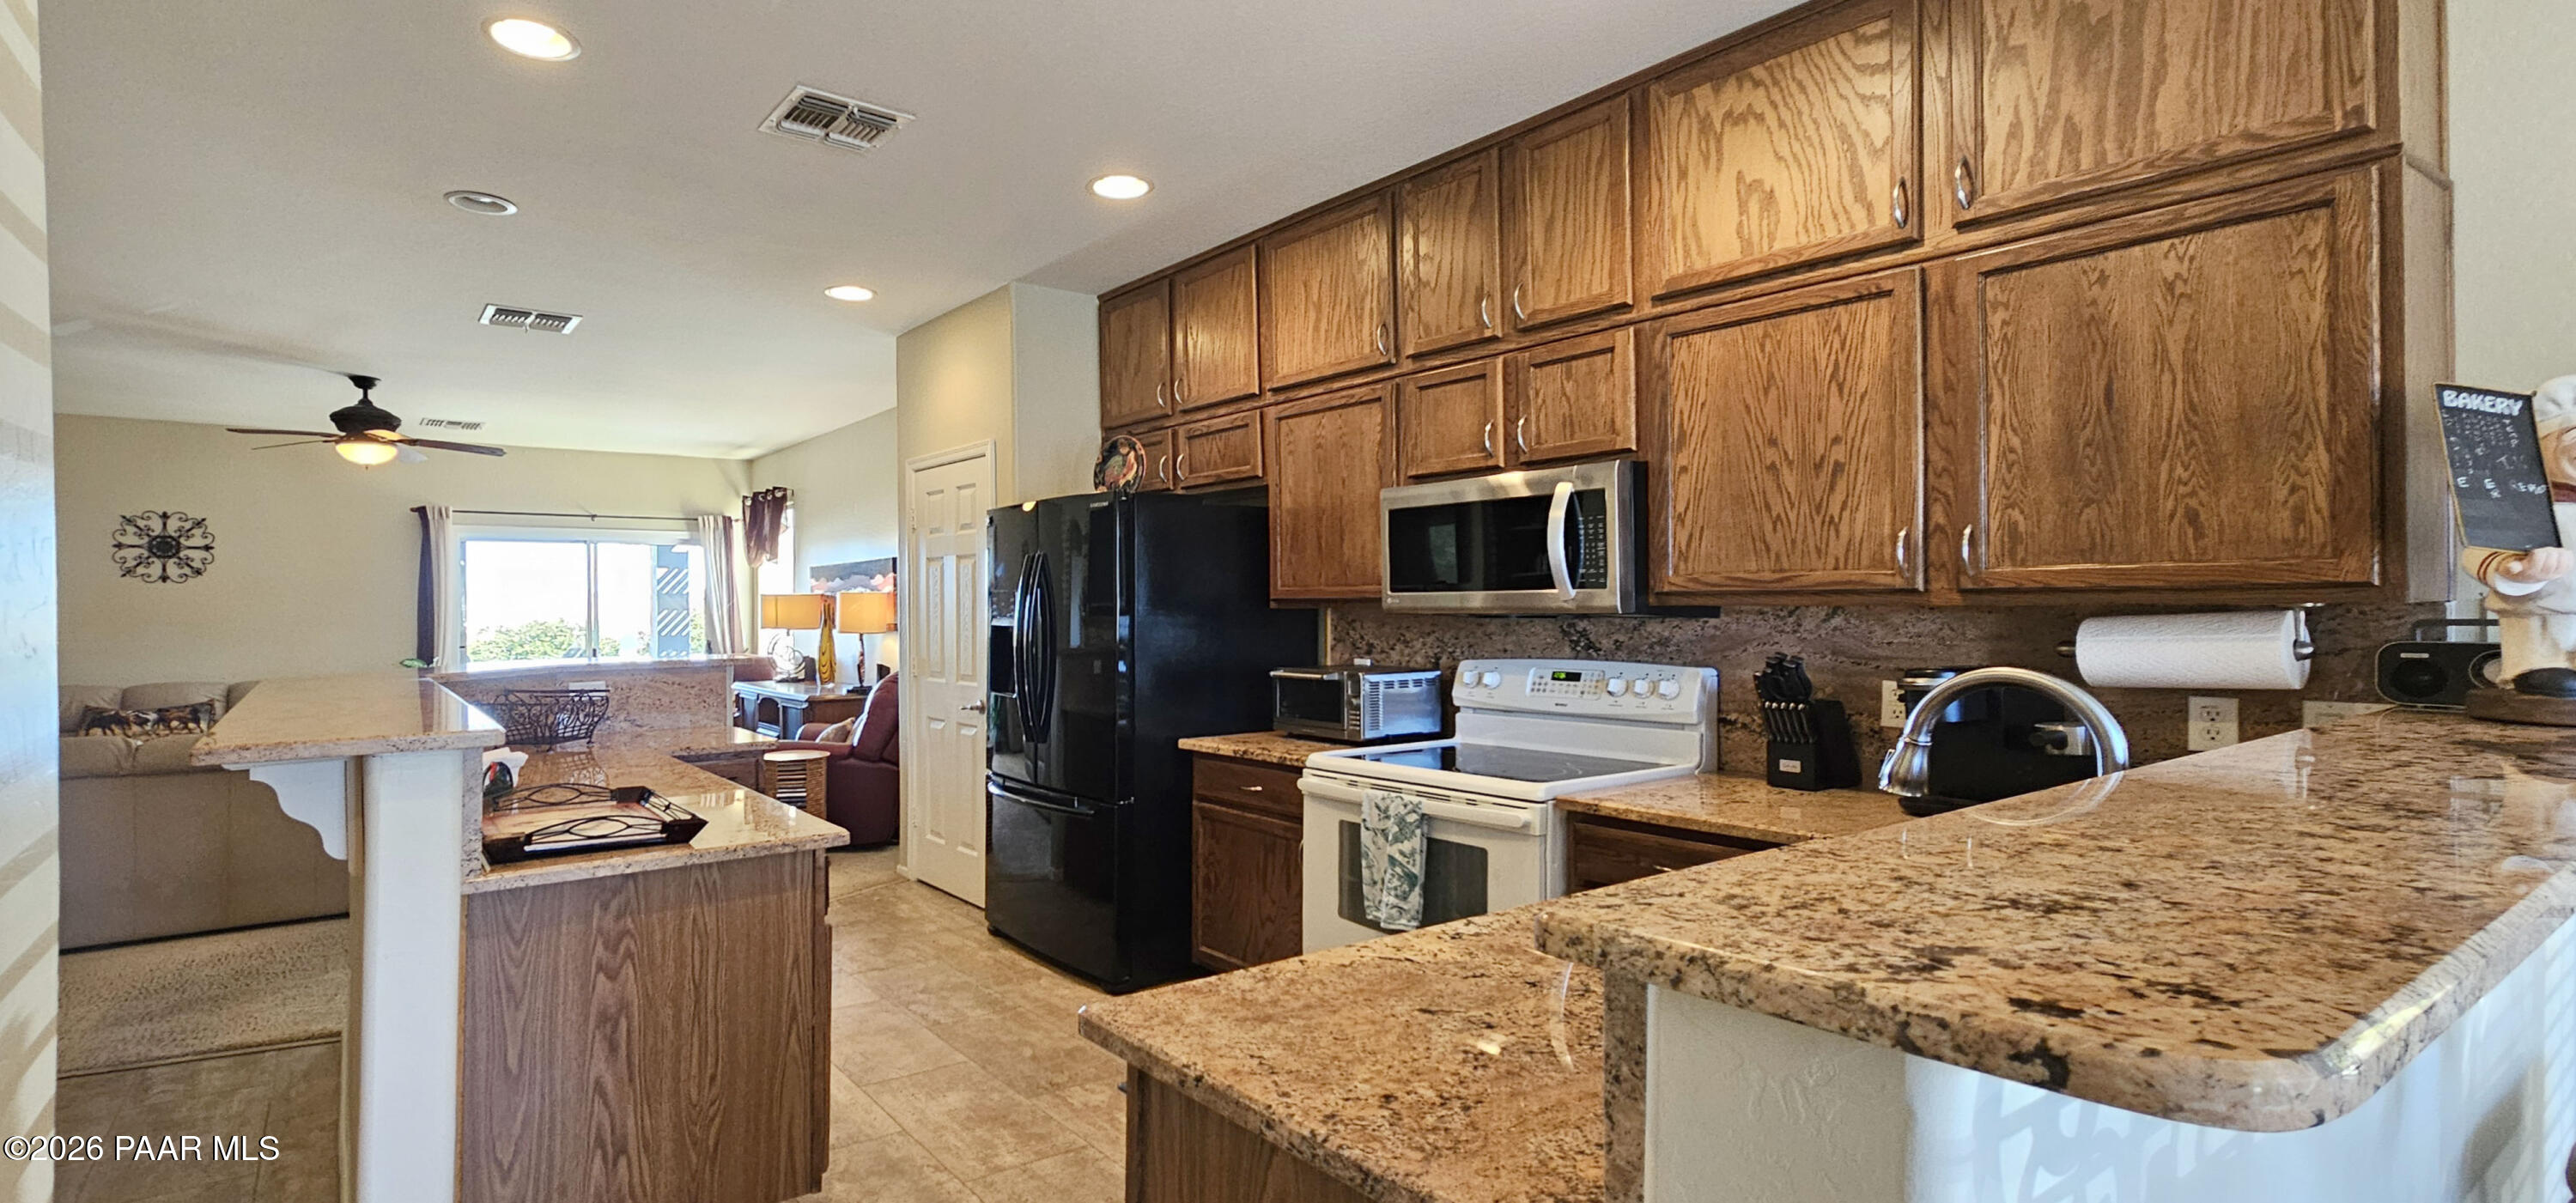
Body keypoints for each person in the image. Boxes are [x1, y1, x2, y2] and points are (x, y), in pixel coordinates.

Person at [2463, 375, 2576, 696]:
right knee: (2545, 677)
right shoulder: (2519, 505)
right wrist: (2518, 571)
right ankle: (2532, 670)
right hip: (2537, 622)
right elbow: (2480, 551)